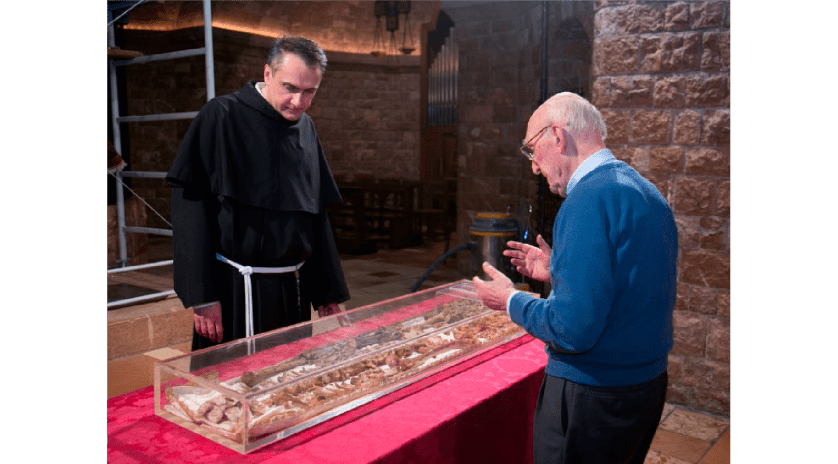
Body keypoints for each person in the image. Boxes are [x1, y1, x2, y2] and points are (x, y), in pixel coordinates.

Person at [472, 92, 678, 464]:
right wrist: (560, 270)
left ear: (558, 135)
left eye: (532, 149)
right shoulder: (646, 192)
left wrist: (510, 299)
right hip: (644, 387)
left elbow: (571, 330)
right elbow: (631, 283)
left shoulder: (586, 200)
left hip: (594, 393)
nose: (534, 167)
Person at [167, 35, 349, 352]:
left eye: (309, 92)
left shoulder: (306, 128)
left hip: (291, 289)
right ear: (267, 73)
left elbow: (315, 215)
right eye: (290, 88)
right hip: (235, 289)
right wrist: (202, 295)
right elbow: (190, 208)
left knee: (289, 376)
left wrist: (326, 290)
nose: (298, 102)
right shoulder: (221, 115)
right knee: (231, 379)